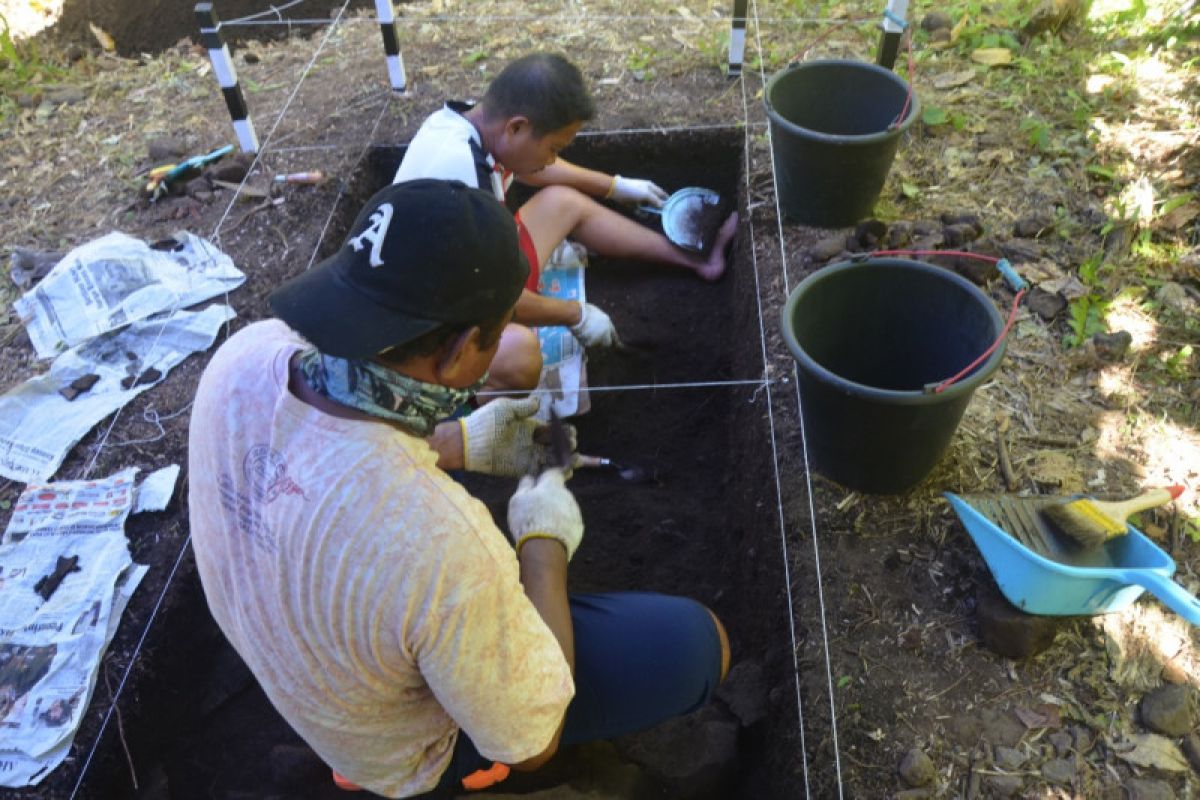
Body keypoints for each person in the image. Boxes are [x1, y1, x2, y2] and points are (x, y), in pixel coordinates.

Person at [187, 180, 730, 798]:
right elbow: (534, 743)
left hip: (301, 659)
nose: (496, 352)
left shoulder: (244, 357)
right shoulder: (440, 539)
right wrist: (542, 539)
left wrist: (459, 442)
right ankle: (449, 774)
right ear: (455, 352)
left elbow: (318, 456)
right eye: (493, 338)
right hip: (396, 751)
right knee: (696, 644)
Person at [393, 52, 738, 393]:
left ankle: (699, 260)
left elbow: (533, 166)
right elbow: (498, 302)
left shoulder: (470, 121)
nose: (552, 160)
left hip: (473, 273)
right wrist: (575, 314)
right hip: (432, 331)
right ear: (516, 127)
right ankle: (458, 415)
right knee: (520, 356)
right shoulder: (463, 181)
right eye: (554, 148)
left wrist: (615, 186)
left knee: (563, 201)